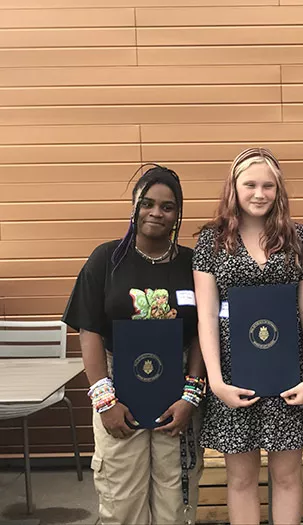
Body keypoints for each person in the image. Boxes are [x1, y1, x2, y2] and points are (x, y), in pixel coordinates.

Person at [62, 164, 205, 525]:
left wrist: (191, 395)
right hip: (117, 386)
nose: (156, 212)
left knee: (176, 497)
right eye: (148, 203)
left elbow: (203, 331)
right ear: (134, 206)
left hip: (178, 390)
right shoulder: (105, 261)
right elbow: (89, 329)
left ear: (178, 214)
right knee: (121, 496)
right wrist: (104, 399)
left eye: (167, 206)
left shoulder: (192, 264)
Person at [193, 147, 303, 525]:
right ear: (233, 188)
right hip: (235, 376)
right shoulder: (212, 241)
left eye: (268, 185)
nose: (259, 193)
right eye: (249, 184)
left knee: (286, 477)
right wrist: (215, 381)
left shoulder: (298, 237)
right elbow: (206, 315)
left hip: (289, 374)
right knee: (241, 478)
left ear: (279, 190)